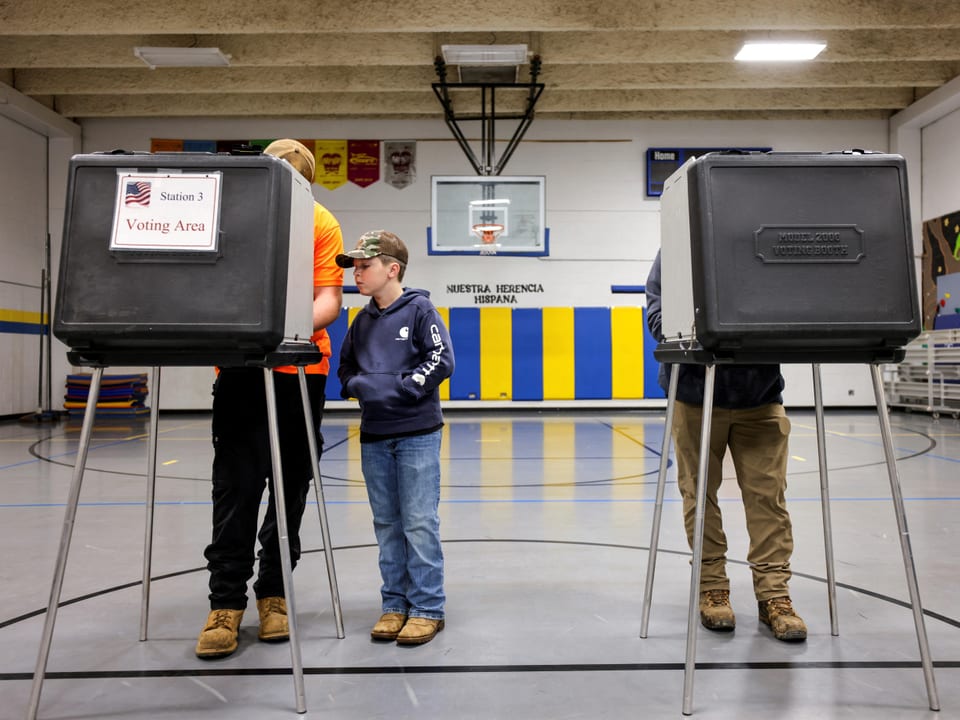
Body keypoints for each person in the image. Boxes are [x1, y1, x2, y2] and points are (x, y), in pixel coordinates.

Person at [195, 139, 344, 658]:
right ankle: (225, 604)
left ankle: (274, 593)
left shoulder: (320, 222)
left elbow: (328, 298)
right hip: (240, 371)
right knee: (235, 487)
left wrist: (281, 331)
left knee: (291, 486)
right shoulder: (233, 217)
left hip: (301, 370)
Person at [645, 250, 807, 642]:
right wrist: (713, 332)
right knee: (699, 496)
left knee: (768, 498)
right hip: (695, 394)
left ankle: (774, 596)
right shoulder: (679, 246)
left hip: (761, 394)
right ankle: (712, 587)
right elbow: (657, 315)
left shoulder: (769, 247)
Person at [336, 230, 454, 645]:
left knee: (419, 522)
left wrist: (402, 388)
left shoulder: (420, 310)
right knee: (387, 523)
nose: (357, 274)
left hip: (417, 434)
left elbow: (442, 360)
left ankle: (427, 607)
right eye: (355, 267)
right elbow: (345, 369)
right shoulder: (361, 321)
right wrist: (358, 387)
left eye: (364, 266)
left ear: (392, 269)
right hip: (375, 436)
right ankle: (394, 604)